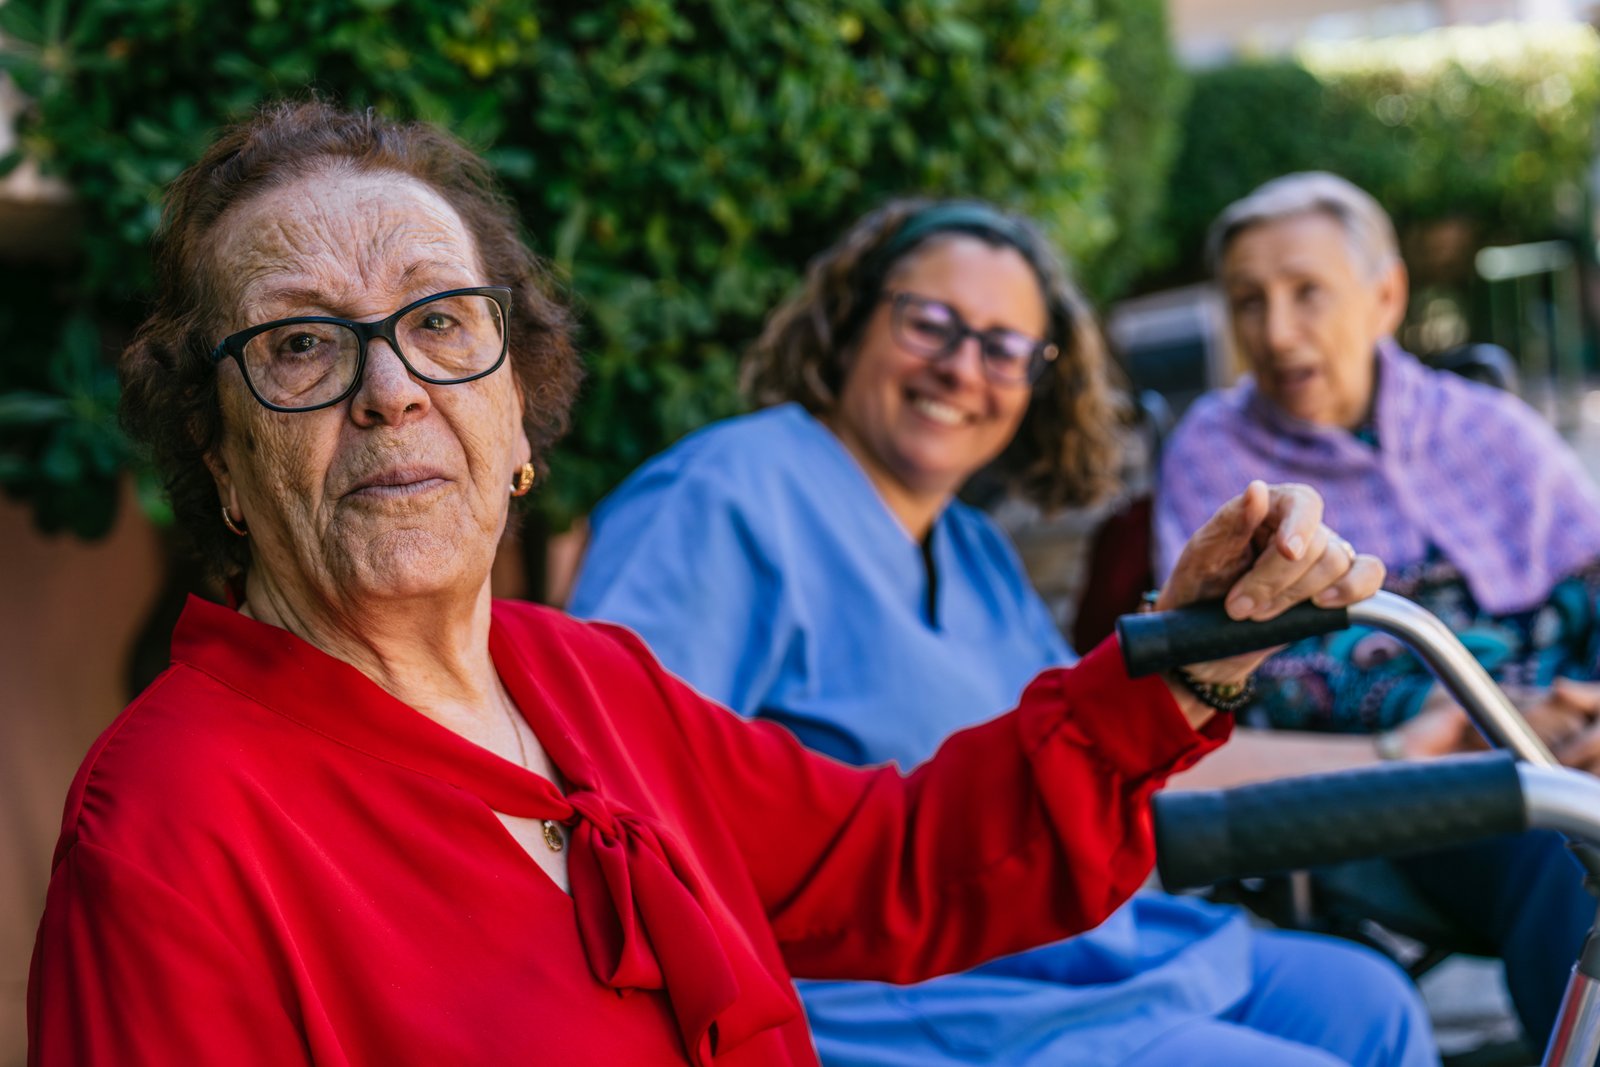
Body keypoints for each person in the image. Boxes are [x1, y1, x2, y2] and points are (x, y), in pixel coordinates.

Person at [24, 104, 1381, 1067]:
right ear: (220, 449)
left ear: (516, 414)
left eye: (441, 323)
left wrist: (1189, 660)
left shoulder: (581, 679)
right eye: (304, 346)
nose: (392, 394)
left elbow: (899, 860)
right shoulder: (167, 826)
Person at [569, 198, 1433, 1066]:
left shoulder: (973, 551)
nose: (960, 368)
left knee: (1371, 1004)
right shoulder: (720, 498)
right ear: (851, 322)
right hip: (903, 1003)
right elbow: (606, 785)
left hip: (1078, 955)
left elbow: (1117, 762)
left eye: (1004, 347)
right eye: (929, 323)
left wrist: (1405, 751)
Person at [1155, 170, 1600, 1053]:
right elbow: (1237, 676)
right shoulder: (1218, 456)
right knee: (1567, 846)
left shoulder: (1481, 424)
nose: (1276, 332)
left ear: (1385, 295)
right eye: (1249, 302)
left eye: (1307, 291)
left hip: (1569, 728)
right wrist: (1496, 730)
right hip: (1393, 786)